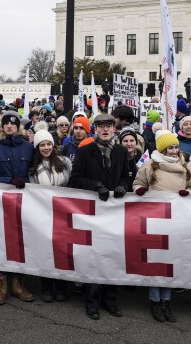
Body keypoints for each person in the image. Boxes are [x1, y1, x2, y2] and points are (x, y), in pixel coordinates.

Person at [69, 113, 130, 320]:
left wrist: (123, 185)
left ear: (114, 129)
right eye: (101, 126)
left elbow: (126, 176)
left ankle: (110, 301)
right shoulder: (85, 151)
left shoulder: (121, 151)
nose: (105, 130)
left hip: (113, 213)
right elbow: (75, 180)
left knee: (113, 256)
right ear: (95, 129)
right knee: (94, 257)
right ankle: (92, 302)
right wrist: (95, 186)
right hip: (93, 213)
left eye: (109, 126)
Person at [133, 130, 191, 323]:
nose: (175, 151)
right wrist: (139, 190)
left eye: (176, 147)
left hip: (175, 220)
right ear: (162, 149)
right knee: (155, 261)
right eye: (170, 147)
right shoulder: (150, 164)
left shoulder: (183, 163)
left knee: (169, 261)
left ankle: (166, 301)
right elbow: (137, 182)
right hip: (155, 219)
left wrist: (187, 192)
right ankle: (155, 301)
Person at [0, 113, 36, 305]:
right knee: (1, 241)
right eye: (6, 124)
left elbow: (35, 173)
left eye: (13, 124)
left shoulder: (29, 148)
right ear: (2, 127)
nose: (10, 127)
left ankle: (17, 282)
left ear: (18, 127)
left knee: (21, 241)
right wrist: (9, 181)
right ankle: (1, 282)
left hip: (24, 202)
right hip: (0, 203)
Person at [29, 127, 72, 303]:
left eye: (48, 144)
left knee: (61, 251)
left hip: (63, 213)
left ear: (53, 146)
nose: (46, 148)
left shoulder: (65, 162)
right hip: (44, 214)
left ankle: (61, 285)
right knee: (45, 250)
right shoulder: (33, 168)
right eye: (42, 145)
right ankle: (46, 285)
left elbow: (72, 186)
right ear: (37, 148)